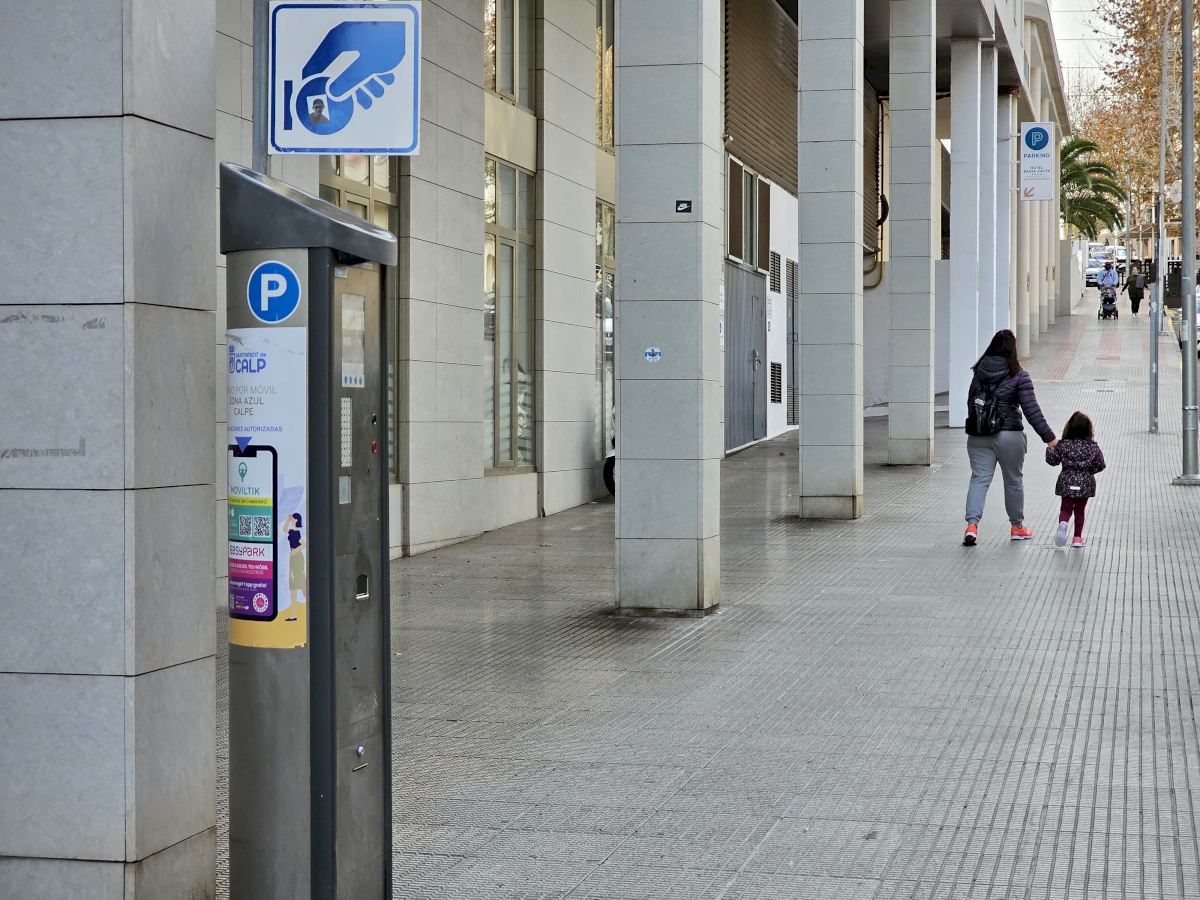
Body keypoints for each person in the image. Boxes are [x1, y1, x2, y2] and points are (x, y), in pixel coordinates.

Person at [963, 329, 1058, 546]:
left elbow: (971, 403)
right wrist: (1050, 439)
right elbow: (1032, 411)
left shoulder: (979, 372)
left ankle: (971, 526)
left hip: (978, 435)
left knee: (979, 479)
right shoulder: (1019, 376)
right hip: (1009, 435)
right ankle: (1017, 527)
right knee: (1013, 481)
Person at [1046, 411, 1106, 548]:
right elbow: (1101, 464)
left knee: (1066, 508)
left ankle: (1063, 523)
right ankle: (1077, 538)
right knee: (1080, 510)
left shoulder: (1063, 444)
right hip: (1085, 483)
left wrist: (1049, 449)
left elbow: (1053, 461)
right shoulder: (1092, 446)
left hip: (1066, 481)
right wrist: (1089, 471)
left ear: (1069, 428)